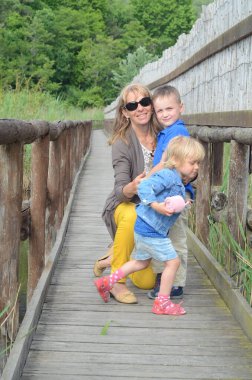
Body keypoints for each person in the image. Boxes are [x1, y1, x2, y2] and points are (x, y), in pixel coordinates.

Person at [94, 136, 205, 315]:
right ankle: (162, 302)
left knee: (141, 262)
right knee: (173, 262)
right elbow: (144, 187)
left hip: (146, 228)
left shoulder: (177, 179)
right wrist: (155, 205)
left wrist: (183, 204)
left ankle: (107, 282)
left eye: (198, 163)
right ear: (175, 160)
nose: (197, 167)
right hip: (152, 230)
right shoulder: (167, 175)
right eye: (192, 162)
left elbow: (168, 199)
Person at [93, 83, 160, 304]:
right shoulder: (122, 142)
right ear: (125, 112)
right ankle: (116, 283)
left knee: (147, 282)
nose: (140, 108)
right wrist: (133, 186)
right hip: (124, 204)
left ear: (151, 104)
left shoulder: (163, 135)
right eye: (132, 105)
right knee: (132, 214)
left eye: (145, 102)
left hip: (153, 213)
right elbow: (121, 191)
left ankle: (110, 257)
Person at [147, 85, 194, 300]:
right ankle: (164, 278)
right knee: (162, 237)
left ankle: (175, 283)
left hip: (174, 194)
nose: (165, 114)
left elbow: (168, 164)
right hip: (166, 194)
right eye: (160, 111)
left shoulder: (178, 134)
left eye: (170, 109)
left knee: (174, 239)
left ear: (180, 108)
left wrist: (147, 180)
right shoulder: (167, 132)